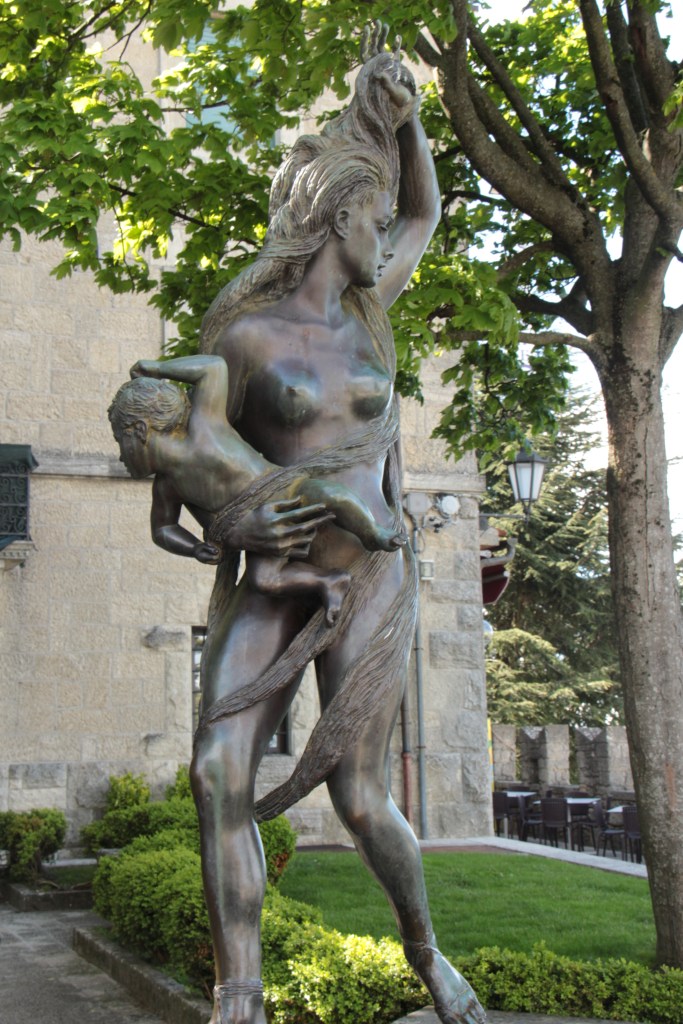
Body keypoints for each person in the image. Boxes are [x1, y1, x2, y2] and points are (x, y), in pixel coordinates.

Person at [189, 25, 487, 1024]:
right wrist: (237, 520)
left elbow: (426, 211)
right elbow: (194, 451)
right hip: (274, 581)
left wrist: (406, 124)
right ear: (339, 217)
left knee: (359, 799)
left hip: (367, 579)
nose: (384, 235)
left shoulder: (369, 317)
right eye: (372, 219)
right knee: (215, 772)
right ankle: (238, 992)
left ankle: (425, 951)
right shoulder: (241, 336)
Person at [108, 354, 405, 625]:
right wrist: (194, 547)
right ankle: (328, 581)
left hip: (285, 492)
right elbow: (163, 530)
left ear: (141, 430)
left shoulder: (204, 427)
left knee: (333, 496)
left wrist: (158, 368)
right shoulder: (167, 487)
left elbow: (214, 368)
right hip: (259, 535)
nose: (121, 456)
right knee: (265, 580)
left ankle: (373, 532)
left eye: (120, 441)